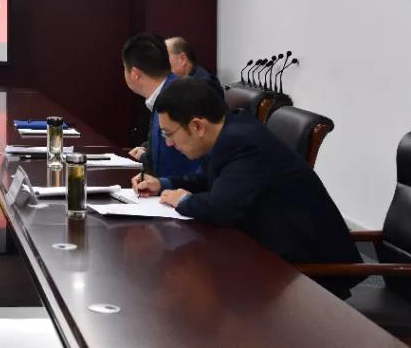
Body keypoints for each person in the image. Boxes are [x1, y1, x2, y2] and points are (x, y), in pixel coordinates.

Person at [132, 78, 360, 297]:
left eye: (169, 134)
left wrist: (183, 200)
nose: (169, 143)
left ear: (198, 126)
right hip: (268, 255)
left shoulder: (242, 143)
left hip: (305, 276)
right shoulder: (228, 130)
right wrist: (163, 184)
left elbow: (219, 208)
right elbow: (208, 180)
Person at [123, 33, 204, 178]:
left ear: (135, 74)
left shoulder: (173, 99)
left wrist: (145, 159)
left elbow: (169, 166)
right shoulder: (170, 89)